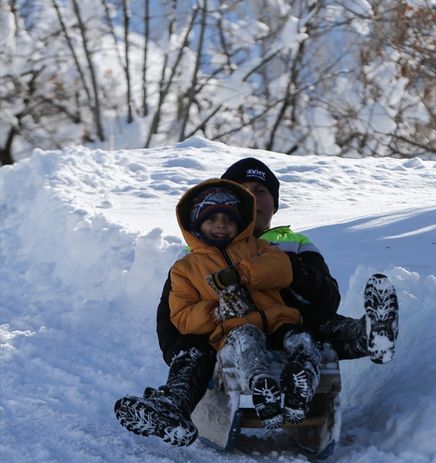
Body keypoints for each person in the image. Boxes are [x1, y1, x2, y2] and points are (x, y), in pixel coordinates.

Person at [114, 158, 398, 447]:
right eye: (243, 189)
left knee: (315, 325)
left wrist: (290, 271)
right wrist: (184, 351)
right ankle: (176, 401)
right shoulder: (194, 256)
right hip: (226, 336)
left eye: (260, 190)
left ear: (272, 203)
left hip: (289, 324)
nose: (252, 195)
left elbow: (327, 298)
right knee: (196, 350)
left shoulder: (290, 244)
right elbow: (173, 314)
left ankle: (368, 336)